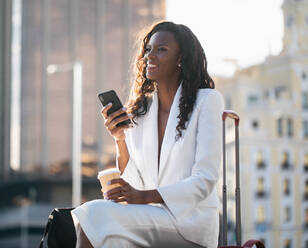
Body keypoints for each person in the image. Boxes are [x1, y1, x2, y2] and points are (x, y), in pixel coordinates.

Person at [71, 21, 224, 248]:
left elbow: (205, 180)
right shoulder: (141, 114)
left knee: (92, 214)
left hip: (192, 223)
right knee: (109, 239)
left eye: (161, 49)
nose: (150, 56)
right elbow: (135, 182)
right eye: (149, 49)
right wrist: (120, 140)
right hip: (151, 218)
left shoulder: (207, 101)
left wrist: (145, 197)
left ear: (181, 59)